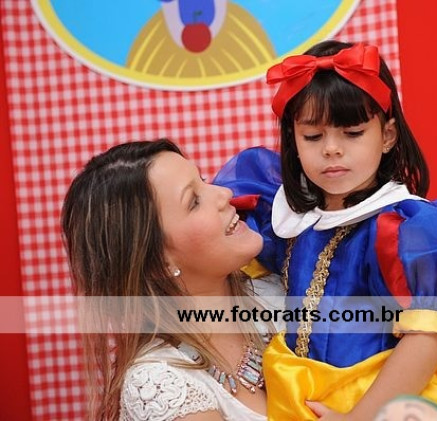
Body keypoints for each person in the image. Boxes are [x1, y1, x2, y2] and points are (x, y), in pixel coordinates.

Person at [213, 40, 437, 420]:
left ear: (387, 135)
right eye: (313, 136)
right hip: (298, 391)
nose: (331, 149)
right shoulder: (284, 217)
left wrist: (362, 417)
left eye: (353, 133)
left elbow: (426, 339)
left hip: (387, 397)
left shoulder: (401, 230)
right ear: (293, 139)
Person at [61, 139, 284, 421]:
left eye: (203, 180)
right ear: (158, 263)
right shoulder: (161, 383)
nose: (225, 193)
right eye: (194, 201)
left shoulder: (278, 292)